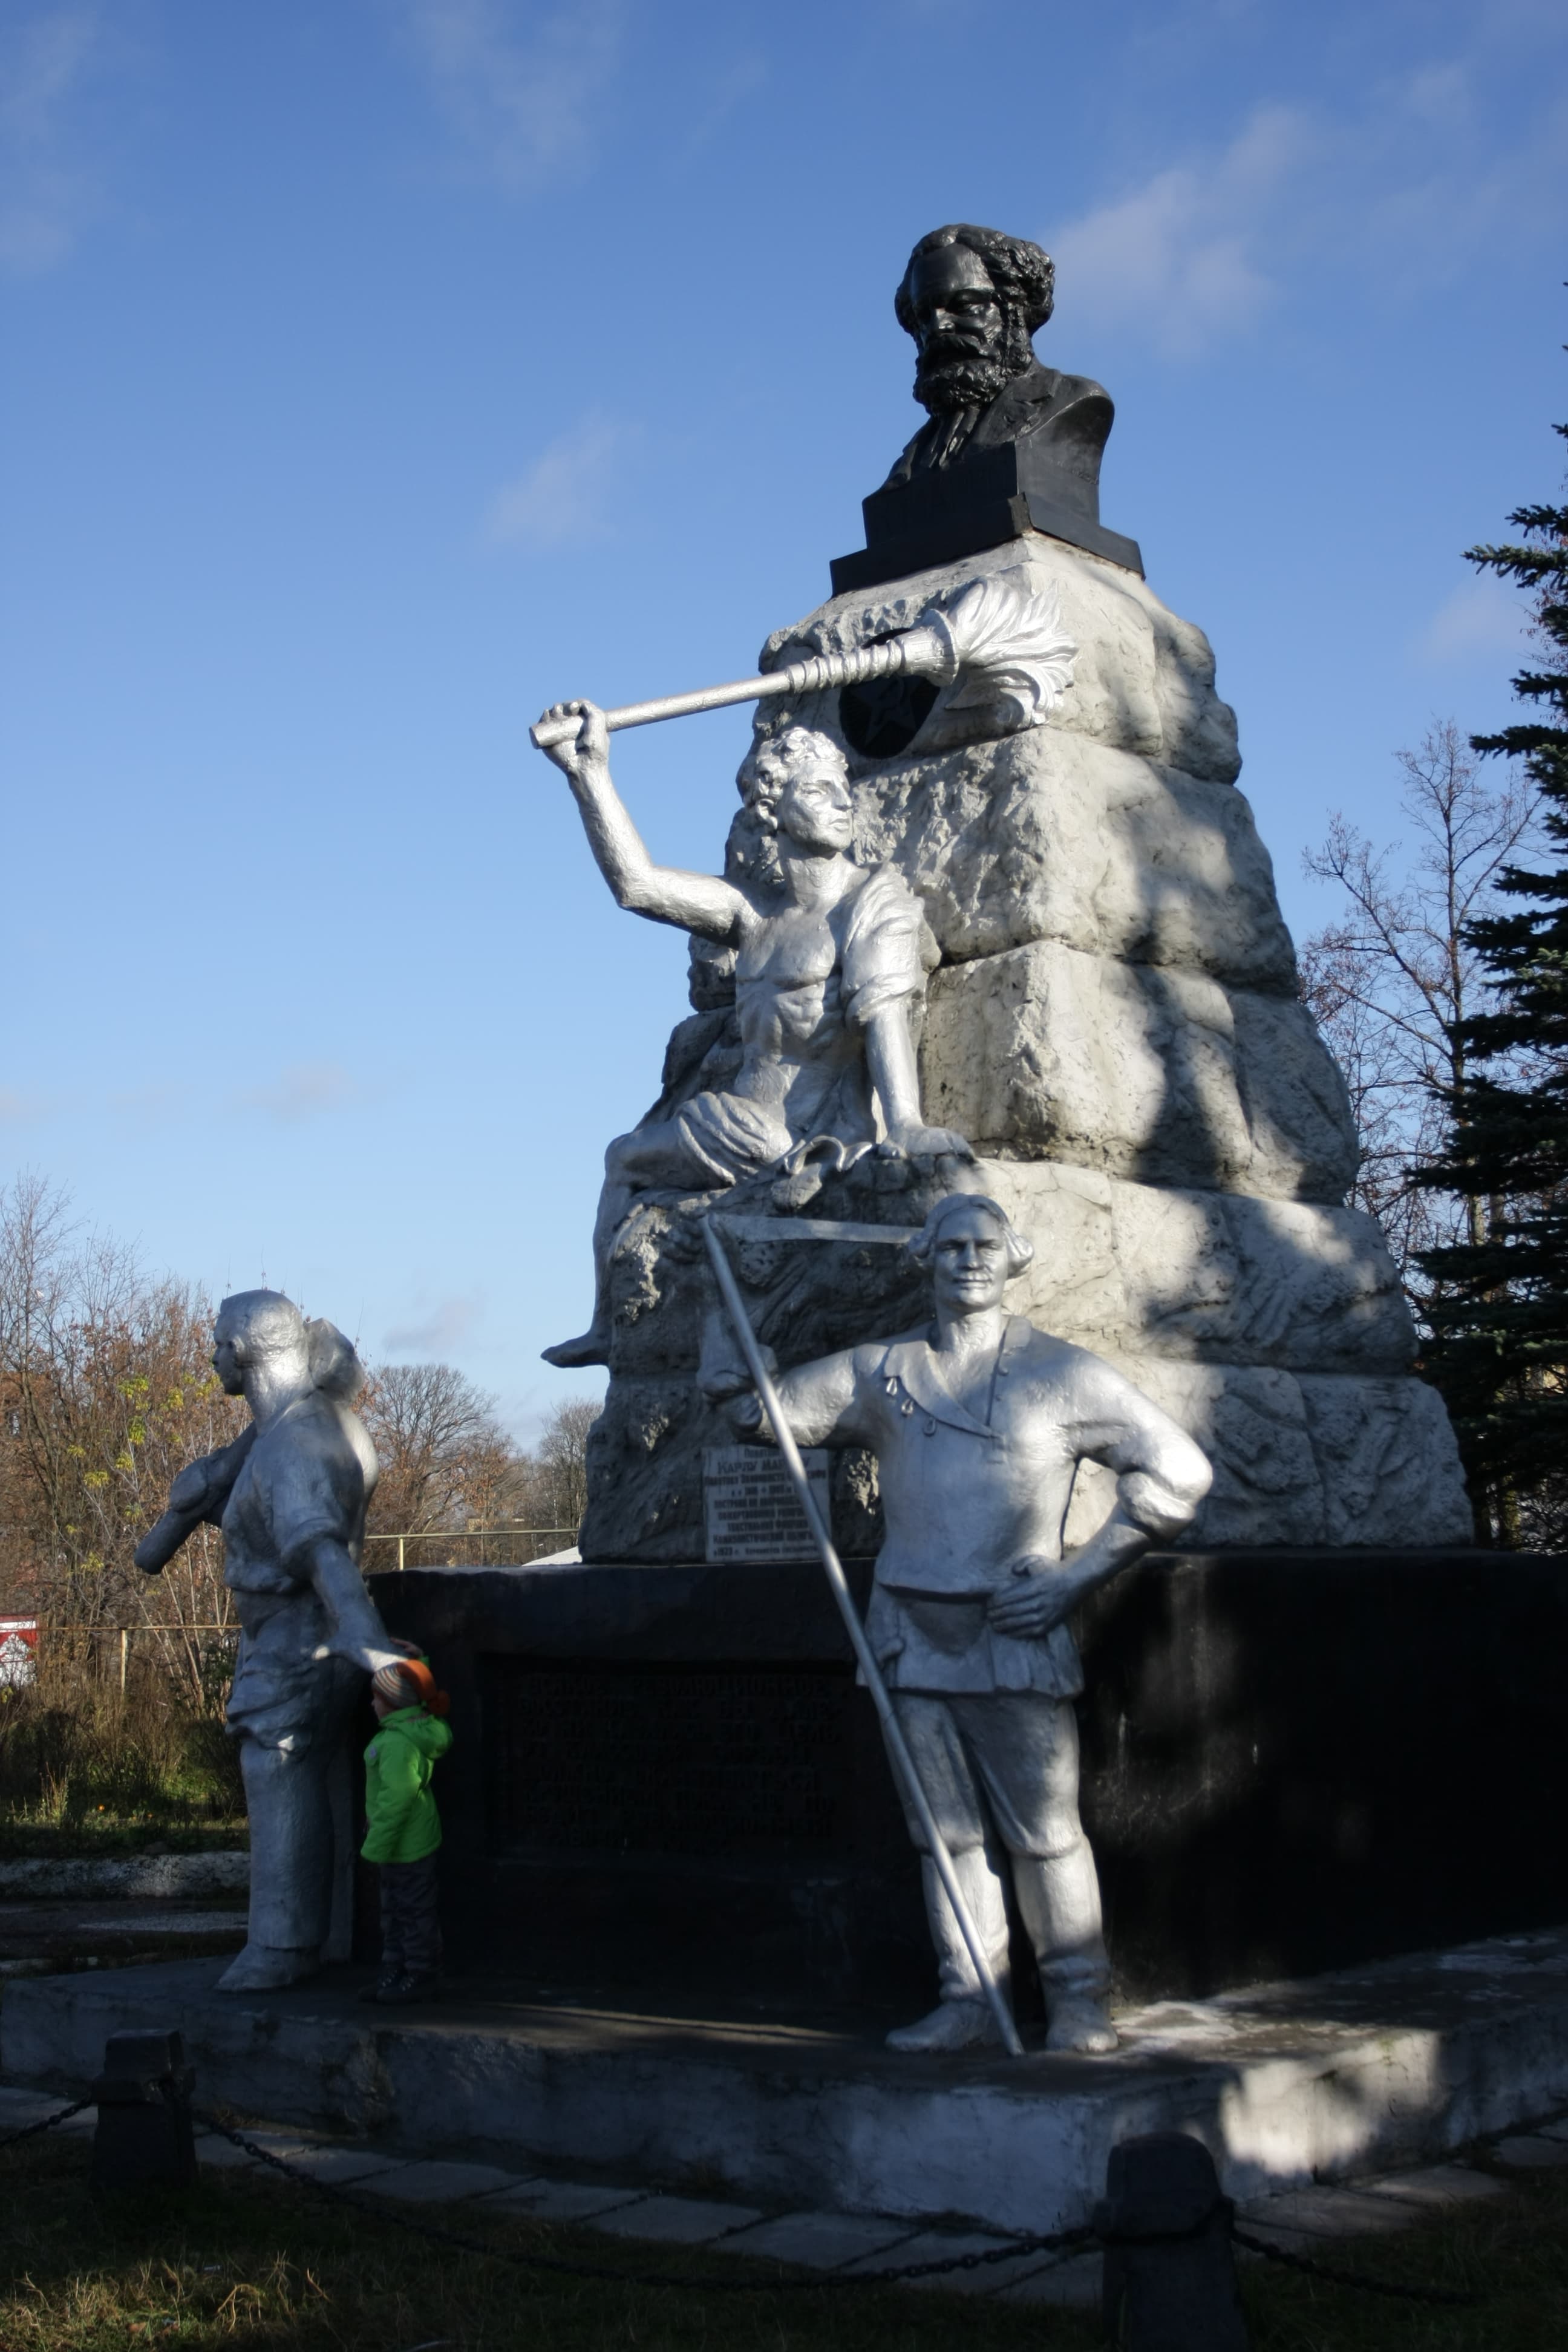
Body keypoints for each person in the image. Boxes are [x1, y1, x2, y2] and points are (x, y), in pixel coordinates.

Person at [725, 1193, 1212, 2054]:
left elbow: (1179, 1473)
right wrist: (722, 1329)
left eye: (986, 1244)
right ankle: (970, 2001)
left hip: (1012, 1631)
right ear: (925, 1257)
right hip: (910, 1634)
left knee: (1046, 1836)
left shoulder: (1062, 1374)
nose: (971, 1259)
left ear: (1015, 1255)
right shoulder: (881, 1372)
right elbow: (760, 1414)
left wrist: (1076, 1579)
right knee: (945, 1839)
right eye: (952, 1246)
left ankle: (1078, 2002)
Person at [536, 708, 970, 1367]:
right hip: (735, 1123)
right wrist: (588, 774)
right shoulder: (753, 913)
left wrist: (906, 1123)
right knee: (622, 1159)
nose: (843, 802)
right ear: (773, 809)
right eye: (819, 790)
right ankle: (606, 1326)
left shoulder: (871, 905)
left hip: (805, 1137)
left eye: (843, 788)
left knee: (630, 1161)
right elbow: (638, 887)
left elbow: (885, 1016)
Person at [135, 1290, 404, 1991]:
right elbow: (272, 1519)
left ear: (244, 1351)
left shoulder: (295, 1445)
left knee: (277, 1766)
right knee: (321, 1777)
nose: (211, 1356)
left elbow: (318, 1545)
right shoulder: (299, 1430)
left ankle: (281, 1947)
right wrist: (205, 1499)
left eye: (217, 1343)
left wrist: (362, 1631)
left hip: (297, 1636)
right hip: (291, 1631)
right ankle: (329, 1940)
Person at [881, 223, 1113, 515]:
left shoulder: (1074, 399)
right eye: (924, 316)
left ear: (1014, 309)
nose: (938, 327)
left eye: (963, 305)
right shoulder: (912, 461)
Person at [359, 1653, 453, 2004]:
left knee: (411, 1912)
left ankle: (421, 1973)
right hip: (404, 1843)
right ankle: (396, 1969)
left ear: (393, 1703)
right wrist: (415, 1660)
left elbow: (397, 1798)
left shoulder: (398, 1743)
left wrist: (375, 1846)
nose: (372, 1704)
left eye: (377, 1698)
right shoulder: (407, 1731)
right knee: (397, 1912)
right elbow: (417, 1687)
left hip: (404, 1845)